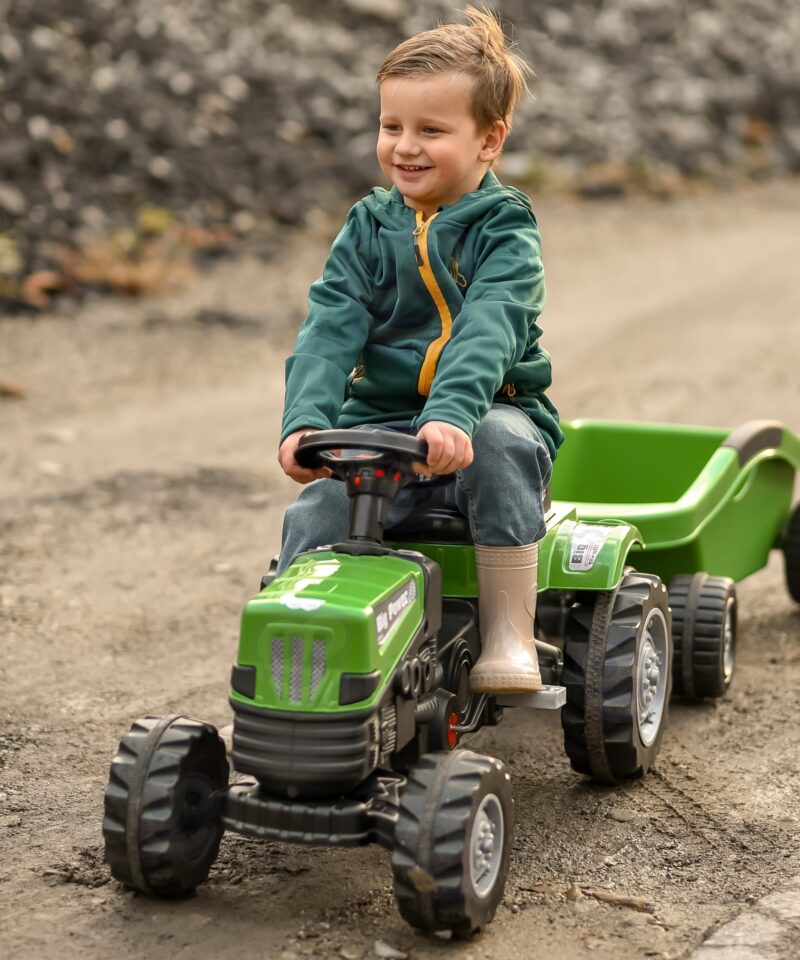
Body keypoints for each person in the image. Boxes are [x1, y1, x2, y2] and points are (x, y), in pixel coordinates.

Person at [276, 6, 563, 695]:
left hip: (485, 413)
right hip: (384, 427)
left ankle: (509, 634)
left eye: (431, 130)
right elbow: (331, 322)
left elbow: (490, 326)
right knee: (315, 510)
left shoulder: (505, 230)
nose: (405, 146)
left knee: (498, 440)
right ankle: (298, 670)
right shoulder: (370, 226)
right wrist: (307, 421)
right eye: (391, 126)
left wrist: (454, 415)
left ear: (489, 141)